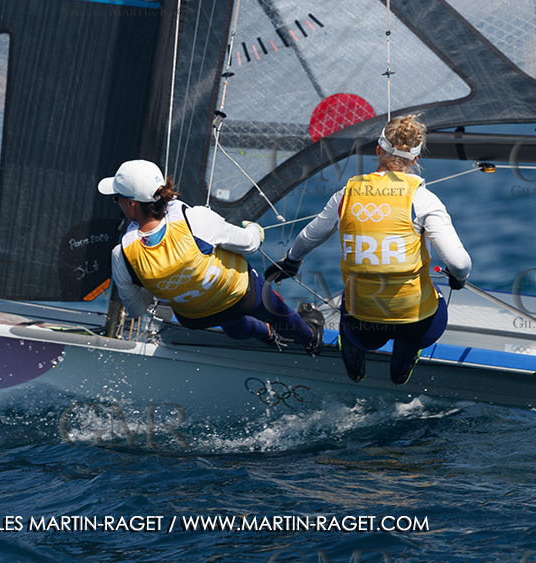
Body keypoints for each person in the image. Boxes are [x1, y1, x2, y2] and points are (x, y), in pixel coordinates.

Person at [266, 115, 470, 385]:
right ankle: (401, 366)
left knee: (349, 309)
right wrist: (460, 277)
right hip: (414, 319)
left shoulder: (346, 195)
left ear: (378, 150)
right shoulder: (423, 199)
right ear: (416, 160)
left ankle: (355, 361)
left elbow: (309, 237)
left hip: (364, 321)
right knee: (435, 299)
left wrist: (292, 261)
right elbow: (458, 262)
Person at [101, 158, 324, 352]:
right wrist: (255, 230)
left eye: (115, 198)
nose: (116, 202)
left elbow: (136, 309)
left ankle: (265, 334)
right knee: (275, 309)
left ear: (131, 203)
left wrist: (167, 288)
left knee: (229, 320)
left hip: (195, 319)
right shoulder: (195, 219)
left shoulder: (122, 254)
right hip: (242, 296)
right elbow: (249, 244)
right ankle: (310, 339)